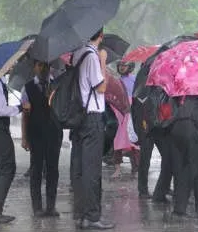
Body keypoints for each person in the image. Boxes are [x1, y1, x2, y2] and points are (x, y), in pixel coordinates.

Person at [70, 28, 115, 230]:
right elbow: (101, 87)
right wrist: (103, 60)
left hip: (80, 117)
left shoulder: (76, 55)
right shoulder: (91, 56)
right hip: (92, 118)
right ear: (101, 36)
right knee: (91, 169)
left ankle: (80, 213)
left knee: (80, 168)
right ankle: (92, 216)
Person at [20, 61, 63, 217]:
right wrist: (24, 137)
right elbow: (24, 115)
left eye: (45, 65)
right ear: (34, 67)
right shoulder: (28, 87)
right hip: (36, 134)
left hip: (54, 133)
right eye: (39, 65)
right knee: (36, 170)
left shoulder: (57, 86)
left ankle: (51, 206)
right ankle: (37, 207)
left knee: (53, 170)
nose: (42, 68)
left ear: (50, 67)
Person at [0, 75, 30, 224]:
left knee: (1, 168)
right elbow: (0, 109)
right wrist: (20, 108)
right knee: (7, 167)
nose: (11, 66)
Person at [111, 61, 139, 178]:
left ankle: (136, 169)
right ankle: (117, 169)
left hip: (132, 112)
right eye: (120, 66)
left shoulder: (134, 79)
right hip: (120, 112)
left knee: (134, 141)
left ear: (130, 67)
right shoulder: (117, 81)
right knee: (118, 140)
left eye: (124, 65)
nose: (122, 68)